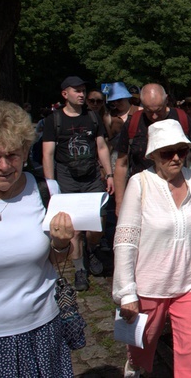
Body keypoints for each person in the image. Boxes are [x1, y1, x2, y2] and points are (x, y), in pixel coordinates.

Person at [113, 119, 191, 378]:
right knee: (143, 343)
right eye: (168, 152)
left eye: (182, 150)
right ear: (154, 155)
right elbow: (125, 239)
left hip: (190, 282)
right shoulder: (140, 183)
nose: (177, 157)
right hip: (151, 284)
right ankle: (135, 365)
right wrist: (127, 292)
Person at [0, 101, 75, 377]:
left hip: (43, 331)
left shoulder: (44, 191)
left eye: (12, 155)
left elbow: (56, 258)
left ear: (25, 150)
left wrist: (61, 243)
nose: (3, 166)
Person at [42, 76, 114, 291]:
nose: (82, 94)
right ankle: (80, 268)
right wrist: (51, 184)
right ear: (65, 94)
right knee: (73, 229)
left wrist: (108, 174)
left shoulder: (92, 117)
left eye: (83, 90)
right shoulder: (54, 120)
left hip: (92, 176)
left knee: (97, 225)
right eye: (77, 91)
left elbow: (101, 146)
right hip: (67, 177)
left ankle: (92, 249)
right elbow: (48, 154)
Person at [113, 83, 191, 218]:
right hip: (143, 195)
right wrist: (120, 202)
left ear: (166, 100)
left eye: (158, 110)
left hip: (178, 192)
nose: (154, 117)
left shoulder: (182, 119)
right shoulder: (133, 123)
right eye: (148, 111)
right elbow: (121, 164)